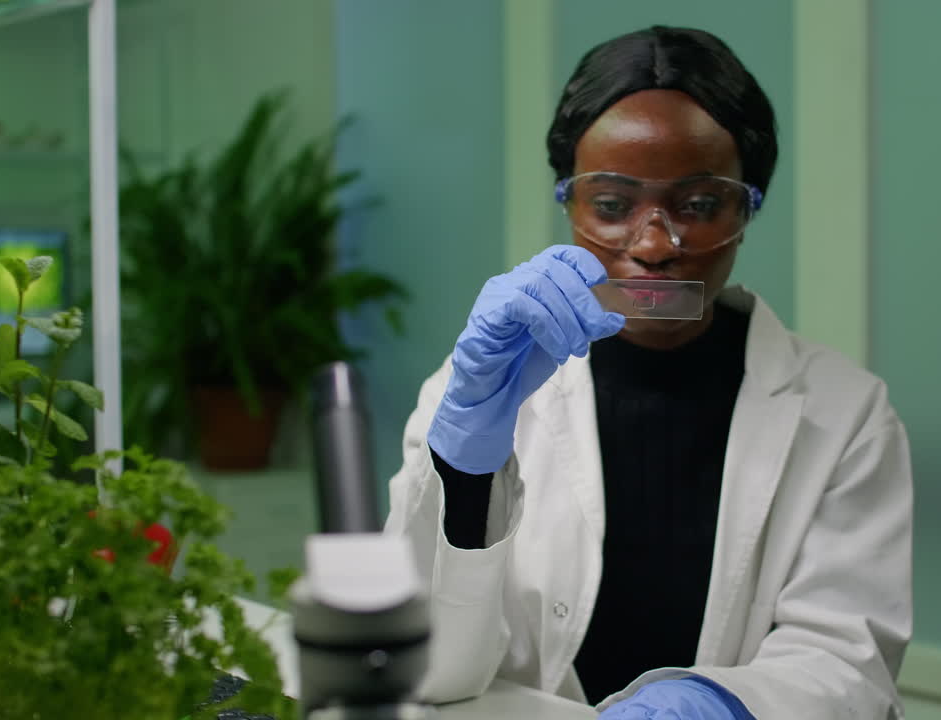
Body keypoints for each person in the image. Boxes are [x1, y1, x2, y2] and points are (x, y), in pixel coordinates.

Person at [385, 25, 912, 719]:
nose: (655, 245)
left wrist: (720, 704)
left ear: (747, 208)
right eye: (611, 205)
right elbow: (425, 667)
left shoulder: (846, 413)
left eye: (699, 205)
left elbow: (847, 660)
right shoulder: (480, 389)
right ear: (569, 203)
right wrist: (464, 476)